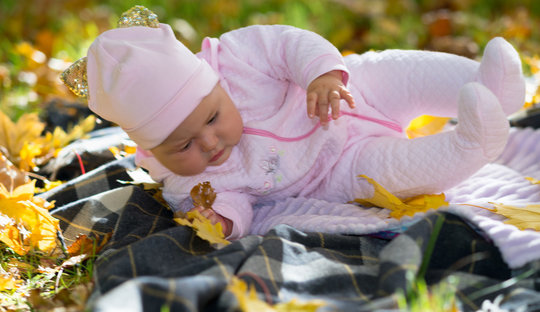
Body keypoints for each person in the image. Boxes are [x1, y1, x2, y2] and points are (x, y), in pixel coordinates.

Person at [62, 6, 525, 239]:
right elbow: (230, 202)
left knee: (394, 72)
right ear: (152, 150)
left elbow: (290, 44)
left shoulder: (237, 56)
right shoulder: (187, 182)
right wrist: (219, 220)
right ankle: (470, 144)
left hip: (347, 94)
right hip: (333, 167)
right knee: (387, 172)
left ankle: (488, 85)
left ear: (214, 81)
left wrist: (320, 74)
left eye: (213, 117)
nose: (209, 143)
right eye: (181, 146)